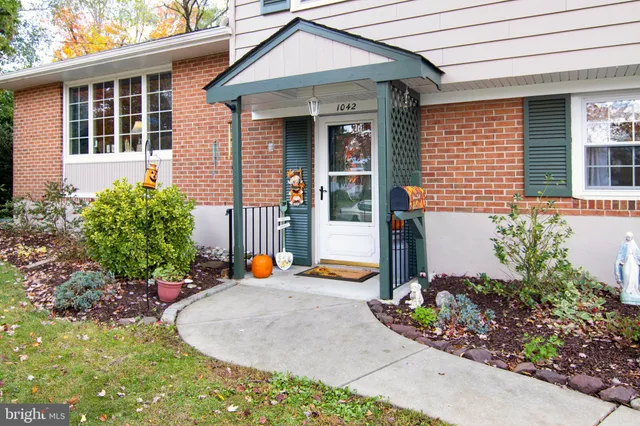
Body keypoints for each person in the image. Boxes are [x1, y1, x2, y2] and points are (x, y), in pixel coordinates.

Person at [615, 232, 640, 299]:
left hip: (634, 261)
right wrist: (618, 260)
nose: (629, 238)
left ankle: (634, 290)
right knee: (627, 274)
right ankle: (626, 289)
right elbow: (620, 253)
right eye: (628, 237)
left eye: (630, 237)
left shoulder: (634, 245)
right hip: (626, 261)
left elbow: (637, 253)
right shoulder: (624, 244)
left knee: (634, 275)